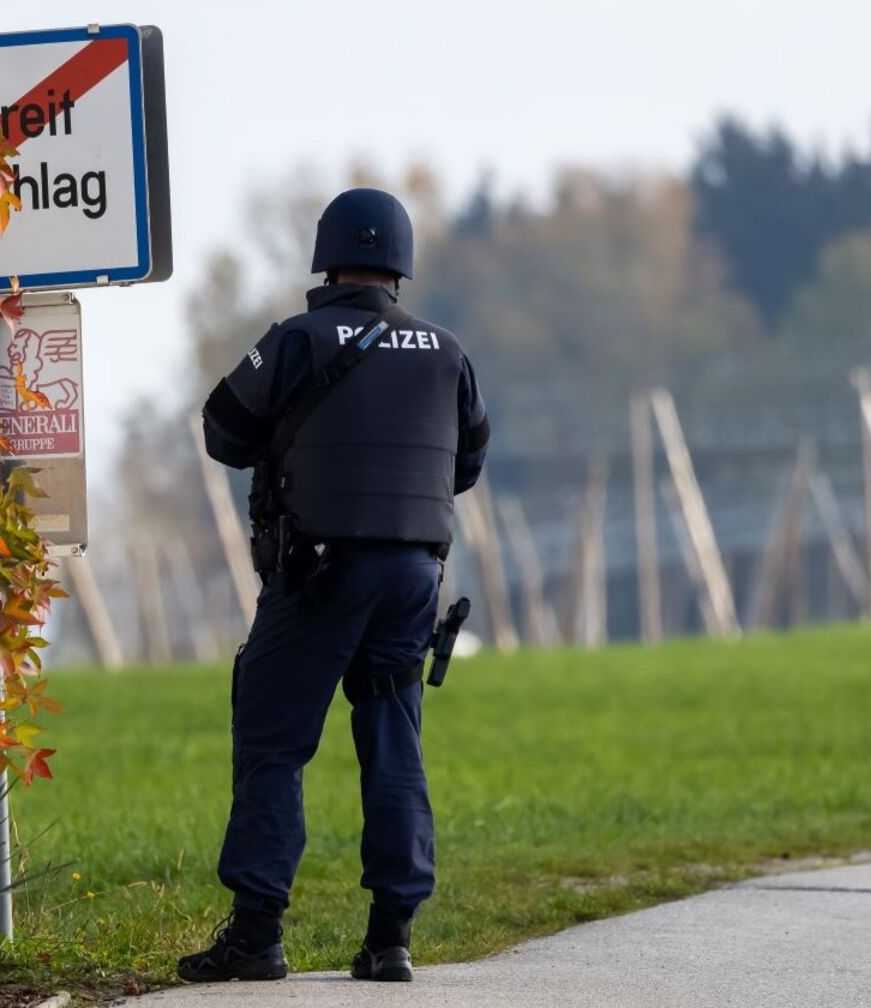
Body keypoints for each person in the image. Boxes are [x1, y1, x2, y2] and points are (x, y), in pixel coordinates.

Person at [180, 188, 490, 984]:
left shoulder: (296, 340)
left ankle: (256, 935)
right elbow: (467, 462)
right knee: (393, 744)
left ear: (327, 256)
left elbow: (222, 429)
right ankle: (391, 937)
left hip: (318, 574)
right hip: (414, 578)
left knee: (274, 740)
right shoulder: (449, 351)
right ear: (402, 265)